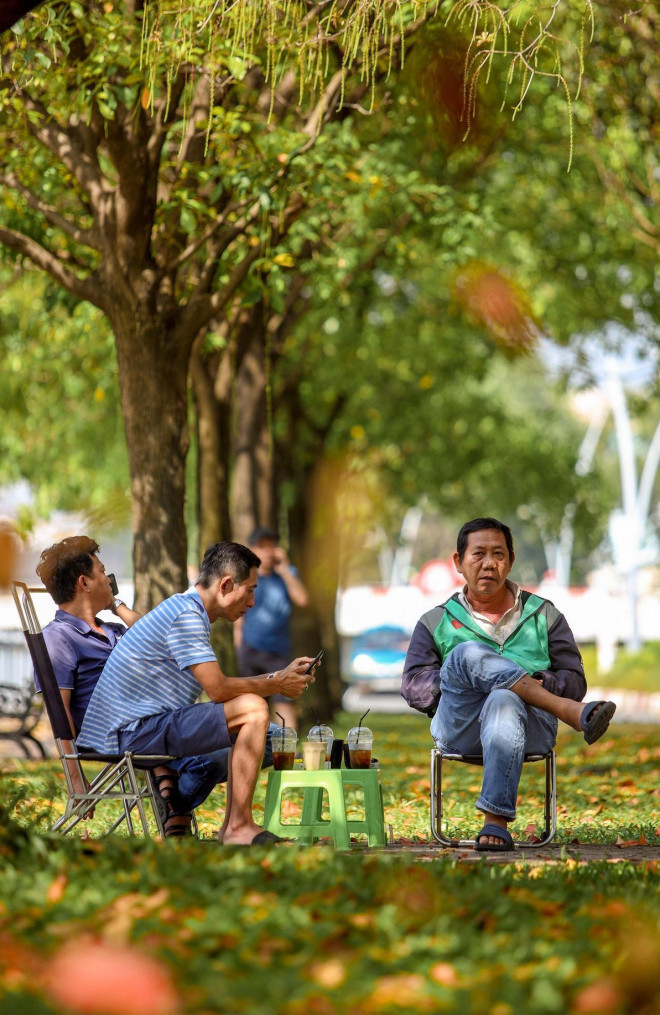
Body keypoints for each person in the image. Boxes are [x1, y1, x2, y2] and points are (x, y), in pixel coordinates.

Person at [78, 541, 317, 845]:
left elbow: (219, 687)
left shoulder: (187, 610)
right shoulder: (186, 615)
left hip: (149, 726)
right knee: (254, 708)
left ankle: (188, 801)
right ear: (227, 584)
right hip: (131, 732)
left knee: (275, 738)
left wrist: (278, 677)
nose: (253, 602)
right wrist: (277, 682)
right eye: (251, 589)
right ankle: (237, 826)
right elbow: (217, 689)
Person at [401, 517, 616, 852]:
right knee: (465, 655)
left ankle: (495, 822)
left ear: (511, 561)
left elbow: (575, 679)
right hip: (461, 724)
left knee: (504, 698)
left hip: (532, 726)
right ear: (458, 562)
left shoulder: (544, 615)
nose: (489, 563)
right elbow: (414, 685)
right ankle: (573, 715)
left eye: (498, 554)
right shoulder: (435, 620)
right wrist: (463, 680)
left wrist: (533, 684)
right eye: (478, 554)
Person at [234, 526, 309, 730]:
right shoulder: (249, 575)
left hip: (278, 652)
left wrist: (284, 570)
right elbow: (239, 612)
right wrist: (239, 643)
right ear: (252, 549)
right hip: (250, 648)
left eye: (271, 546)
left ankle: (289, 754)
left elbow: (302, 599)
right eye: (262, 547)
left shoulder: (287, 574)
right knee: (251, 704)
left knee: (284, 704)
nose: (267, 551)